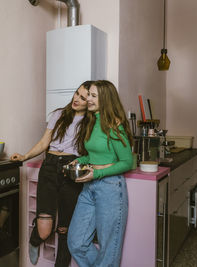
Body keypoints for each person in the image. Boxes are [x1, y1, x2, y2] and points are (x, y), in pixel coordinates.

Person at [10, 81, 93, 267]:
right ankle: (34, 241)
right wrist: (25, 156)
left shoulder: (92, 122)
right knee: (45, 229)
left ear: (91, 102)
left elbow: (94, 150)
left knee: (65, 228)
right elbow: (43, 143)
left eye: (83, 97)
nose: (76, 99)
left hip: (72, 170)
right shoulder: (59, 115)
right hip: (49, 168)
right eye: (76, 94)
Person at [67, 80, 133, 267]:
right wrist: (81, 160)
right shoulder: (93, 122)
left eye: (93, 96)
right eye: (89, 95)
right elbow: (97, 155)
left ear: (106, 100)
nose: (88, 99)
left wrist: (96, 174)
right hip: (89, 188)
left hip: (111, 189)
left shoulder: (114, 125)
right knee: (76, 243)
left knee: (108, 250)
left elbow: (127, 162)